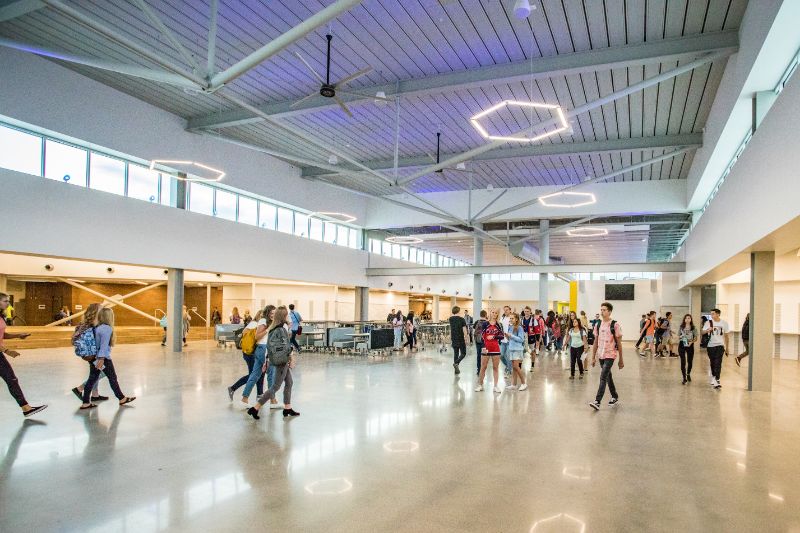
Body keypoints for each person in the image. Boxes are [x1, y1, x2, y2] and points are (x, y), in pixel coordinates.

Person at [247, 306, 300, 419]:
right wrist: (291, 359)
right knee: (275, 386)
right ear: (283, 316)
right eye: (287, 315)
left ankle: (287, 408)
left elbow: (269, 345)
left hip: (277, 359)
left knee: (289, 382)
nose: (289, 316)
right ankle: (255, 408)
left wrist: (267, 361)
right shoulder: (282, 328)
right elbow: (286, 346)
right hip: (282, 360)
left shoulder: (273, 327)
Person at [0, 292, 47, 417]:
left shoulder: (1, 316)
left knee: (12, 379)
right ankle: (26, 408)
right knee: (11, 379)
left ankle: (26, 408)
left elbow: (2, 334)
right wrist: (7, 351)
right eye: (5, 301)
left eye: (8, 301)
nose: (8, 303)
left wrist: (18, 335)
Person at [80, 307, 135, 409]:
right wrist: (101, 359)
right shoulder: (106, 328)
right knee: (112, 378)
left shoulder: (97, 327)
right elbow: (104, 346)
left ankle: (86, 402)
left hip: (93, 358)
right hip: (103, 359)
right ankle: (122, 398)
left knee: (92, 379)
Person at [240, 305, 279, 407]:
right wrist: (268, 329)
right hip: (264, 349)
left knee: (255, 375)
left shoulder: (271, 322)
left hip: (265, 349)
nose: (273, 315)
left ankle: (244, 399)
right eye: (271, 313)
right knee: (270, 375)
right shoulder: (263, 321)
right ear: (267, 313)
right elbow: (257, 336)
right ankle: (273, 401)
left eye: (274, 313)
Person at [70, 303, 109, 403]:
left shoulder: (83, 323)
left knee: (96, 372)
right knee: (103, 372)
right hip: (93, 353)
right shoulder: (94, 324)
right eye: (101, 310)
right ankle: (80, 388)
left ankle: (95, 395)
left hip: (86, 353)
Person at [589, 302, 623, 411]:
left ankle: (597, 401)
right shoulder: (598, 324)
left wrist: (621, 360)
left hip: (610, 354)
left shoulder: (615, 325)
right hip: (601, 354)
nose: (602, 312)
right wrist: (593, 357)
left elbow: (619, 343)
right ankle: (615, 396)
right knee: (608, 376)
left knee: (603, 376)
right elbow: (595, 342)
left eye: (604, 310)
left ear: (609, 312)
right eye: (601, 310)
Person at [228, 309, 266, 401]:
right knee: (254, 375)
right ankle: (233, 388)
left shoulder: (255, 324)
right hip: (251, 353)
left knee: (260, 373)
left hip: (251, 352)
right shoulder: (255, 324)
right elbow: (245, 334)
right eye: (262, 316)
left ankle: (260, 394)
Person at [476, 309, 503, 394]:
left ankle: (495, 386)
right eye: (493, 312)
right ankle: (480, 385)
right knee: (483, 367)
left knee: (495, 367)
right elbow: (482, 336)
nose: (494, 314)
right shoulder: (485, 324)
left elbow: (502, 336)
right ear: (490, 313)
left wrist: (494, 337)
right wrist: (483, 346)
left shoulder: (499, 325)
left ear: (497, 315)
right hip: (486, 348)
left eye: (496, 313)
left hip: (495, 348)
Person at [702, 308, 729, 390]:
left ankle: (717, 379)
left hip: (720, 345)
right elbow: (702, 332)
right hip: (710, 346)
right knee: (713, 363)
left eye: (713, 314)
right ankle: (714, 377)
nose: (711, 315)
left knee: (718, 363)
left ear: (718, 314)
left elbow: (726, 336)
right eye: (711, 314)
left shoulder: (724, 323)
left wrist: (727, 348)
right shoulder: (708, 322)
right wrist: (707, 330)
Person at [505, 313, 527, 391]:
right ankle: (514, 384)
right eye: (510, 318)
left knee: (516, 367)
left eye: (512, 318)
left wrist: (511, 336)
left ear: (516, 319)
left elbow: (521, 339)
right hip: (511, 349)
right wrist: (507, 336)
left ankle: (524, 383)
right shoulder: (510, 327)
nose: (511, 320)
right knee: (514, 368)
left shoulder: (520, 328)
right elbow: (509, 339)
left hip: (517, 349)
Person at [449, 306, 470, 374]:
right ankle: (456, 363)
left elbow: (451, 328)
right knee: (463, 353)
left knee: (456, 353)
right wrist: (466, 338)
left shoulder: (450, 319)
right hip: (460, 338)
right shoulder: (462, 319)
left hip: (454, 338)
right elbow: (464, 330)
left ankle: (456, 369)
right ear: (458, 311)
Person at [678, 314, 698, 384]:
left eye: (689, 318)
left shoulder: (693, 328)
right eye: (686, 318)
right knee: (683, 361)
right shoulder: (681, 327)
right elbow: (679, 336)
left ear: (691, 319)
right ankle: (684, 378)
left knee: (690, 361)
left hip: (690, 345)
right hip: (682, 344)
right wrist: (682, 337)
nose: (687, 319)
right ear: (684, 319)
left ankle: (688, 373)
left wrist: (691, 342)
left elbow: (696, 338)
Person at [473, 310, 488, 376]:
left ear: (480, 315)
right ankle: (483, 371)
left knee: (478, 355)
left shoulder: (477, 322)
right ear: (486, 315)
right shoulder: (487, 323)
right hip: (485, 342)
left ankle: (478, 371)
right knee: (484, 356)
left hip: (478, 341)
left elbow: (474, 329)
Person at [499, 306, 512, 377]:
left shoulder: (512, 318)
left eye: (507, 310)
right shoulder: (502, 318)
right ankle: (508, 366)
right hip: (503, 340)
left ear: (510, 310)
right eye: (504, 310)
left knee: (508, 356)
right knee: (501, 355)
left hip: (510, 340)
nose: (505, 311)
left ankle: (509, 371)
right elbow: (500, 327)